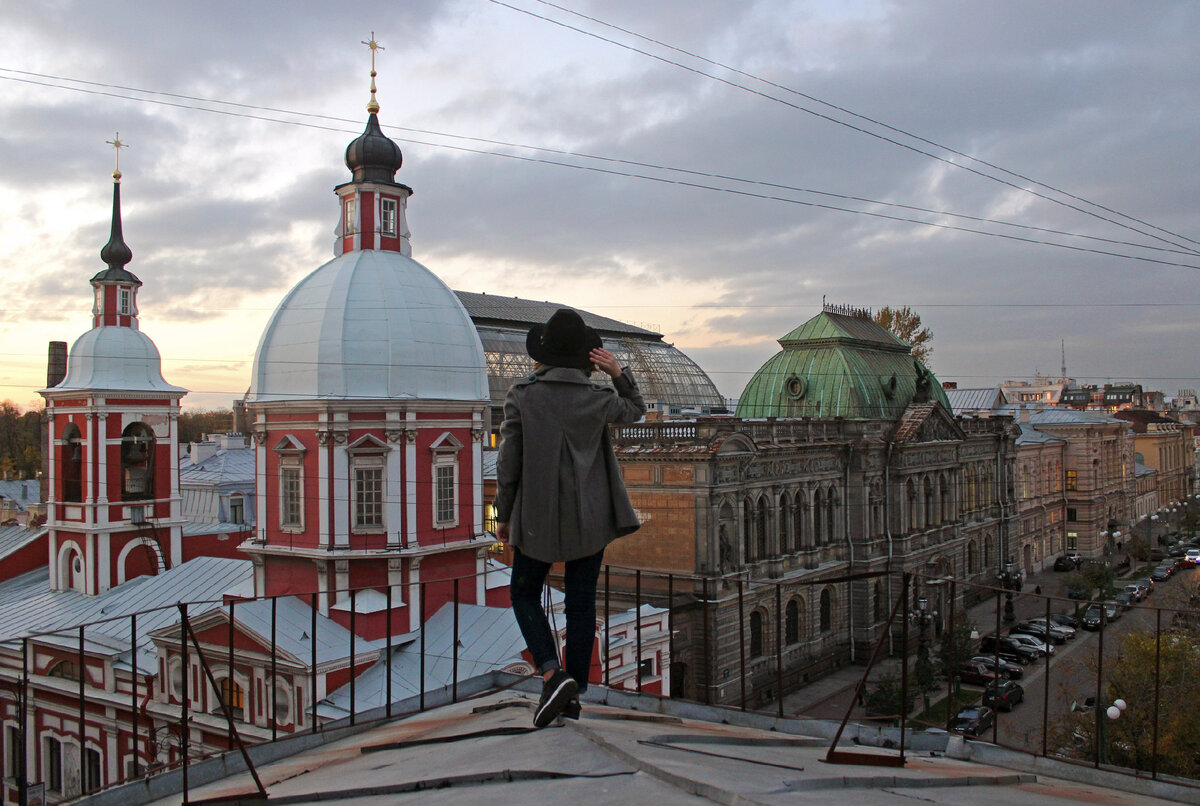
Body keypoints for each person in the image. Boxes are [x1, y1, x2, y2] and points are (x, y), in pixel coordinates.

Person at [495, 308, 645, 727]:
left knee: (524, 594)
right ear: (585, 357)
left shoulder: (523, 395)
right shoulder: (599, 398)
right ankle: (572, 692)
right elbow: (637, 409)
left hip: (535, 518)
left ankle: (551, 673)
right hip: (590, 518)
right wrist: (617, 371)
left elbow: (509, 463)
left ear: (541, 355)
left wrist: (503, 515)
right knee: (580, 605)